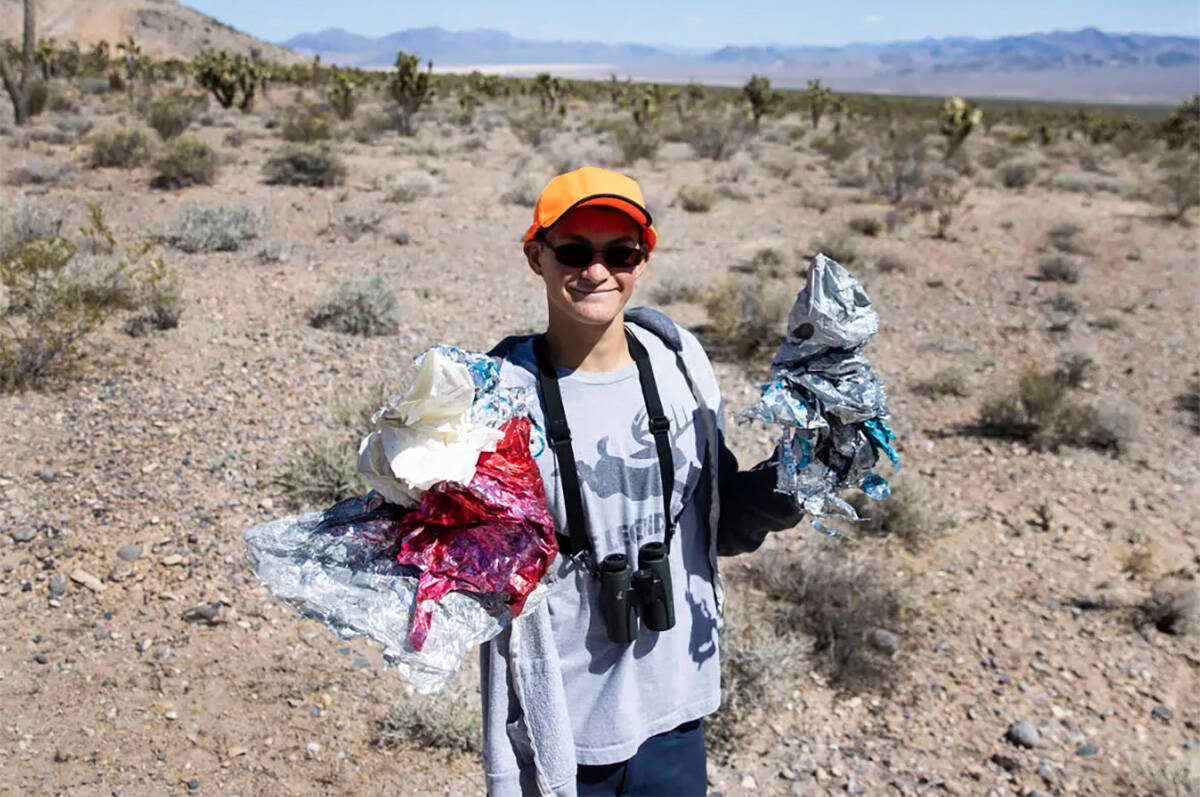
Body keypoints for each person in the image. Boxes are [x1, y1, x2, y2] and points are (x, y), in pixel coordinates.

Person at [481, 166, 802, 796]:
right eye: (573, 251)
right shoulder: (498, 395)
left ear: (643, 260)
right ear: (536, 256)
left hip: (674, 704)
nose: (597, 271)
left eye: (620, 252)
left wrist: (790, 486)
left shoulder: (678, 360)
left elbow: (715, 517)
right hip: (564, 725)